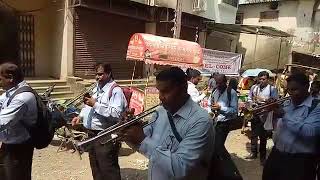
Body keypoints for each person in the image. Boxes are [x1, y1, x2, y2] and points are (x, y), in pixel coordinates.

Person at [122, 67, 214, 180]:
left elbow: (181, 168)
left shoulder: (200, 121)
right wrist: (128, 130)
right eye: (159, 91)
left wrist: (142, 140)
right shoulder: (160, 112)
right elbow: (141, 142)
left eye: (166, 91)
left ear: (183, 88)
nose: (160, 97)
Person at [71, 63, 127, 180]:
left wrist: (95, 104)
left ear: (109, 73)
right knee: (96, 169)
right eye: (96, 74)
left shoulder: (116, 91)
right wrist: (80, 117)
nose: (97, 77)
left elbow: (116, 113)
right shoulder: (96, 87)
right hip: (92, 134)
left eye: (101, 74)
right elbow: (88, 105)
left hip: (106, 136)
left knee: (108, 170)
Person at [263, 73, 320, 180]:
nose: (290, 93)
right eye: (288, 90)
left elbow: (310, 132)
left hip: (300, 162)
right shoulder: (286, 103)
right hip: (276, 155)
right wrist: (270, 113)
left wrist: (284, 115)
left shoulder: (316, 107)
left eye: (294, 90)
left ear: (306, 87)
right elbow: (271, 127)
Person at [0, 63, 37, 180]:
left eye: (0, 79)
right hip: (9, 145)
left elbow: (2, 122)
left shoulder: (22, 97)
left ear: (10, 78)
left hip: (18, 150)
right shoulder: (11, 91)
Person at [245, 71, 278, 165]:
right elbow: (249, 98)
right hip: (255, 113)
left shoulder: (272, 89)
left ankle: (263, 158)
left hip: (265, 115)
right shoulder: (254, 87)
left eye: (264, 79)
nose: (262, 81)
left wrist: (263, 100)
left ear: (267, 79)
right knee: (254, 135)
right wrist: (251, 104)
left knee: (263, 137)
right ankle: (253, 153)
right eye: (260, 79)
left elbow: (275, 102)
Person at [208, 74, 238, 152]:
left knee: (218, 146)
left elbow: (234, 110)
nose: (218, 85)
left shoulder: (232, 93)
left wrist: (221, 108)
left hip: (224, 123)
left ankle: (224, 162)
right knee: (213, 144)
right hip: (214, 122)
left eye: (220, 83)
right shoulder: (214, 91)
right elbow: (209, 103)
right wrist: (210, 110)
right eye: (216, 83)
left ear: (225, 82)